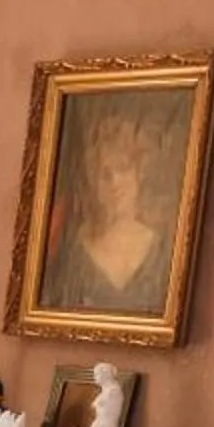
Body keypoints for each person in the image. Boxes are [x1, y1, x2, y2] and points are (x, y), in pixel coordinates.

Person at [40, 108, 173, 317]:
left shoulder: (163, 250)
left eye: (123, 168)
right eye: (105, 174)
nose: (115, 183)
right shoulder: (74, 251)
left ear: (139, 174)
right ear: (94, 184)